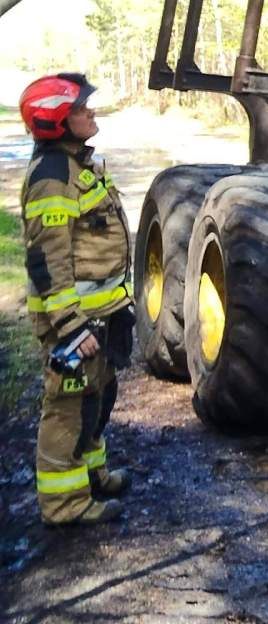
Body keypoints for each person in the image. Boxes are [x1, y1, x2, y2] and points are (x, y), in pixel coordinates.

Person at [18, 73, 133, 527]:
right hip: (75, 323)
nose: (91, 113)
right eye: (82, 109)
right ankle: (64, 504)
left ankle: (91, 475)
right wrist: (71, 326)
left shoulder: (75, 166)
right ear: (57, 121)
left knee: (96, 397)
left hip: (98, 315)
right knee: (67, 407)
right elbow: (48, 259)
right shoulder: (51, 177)